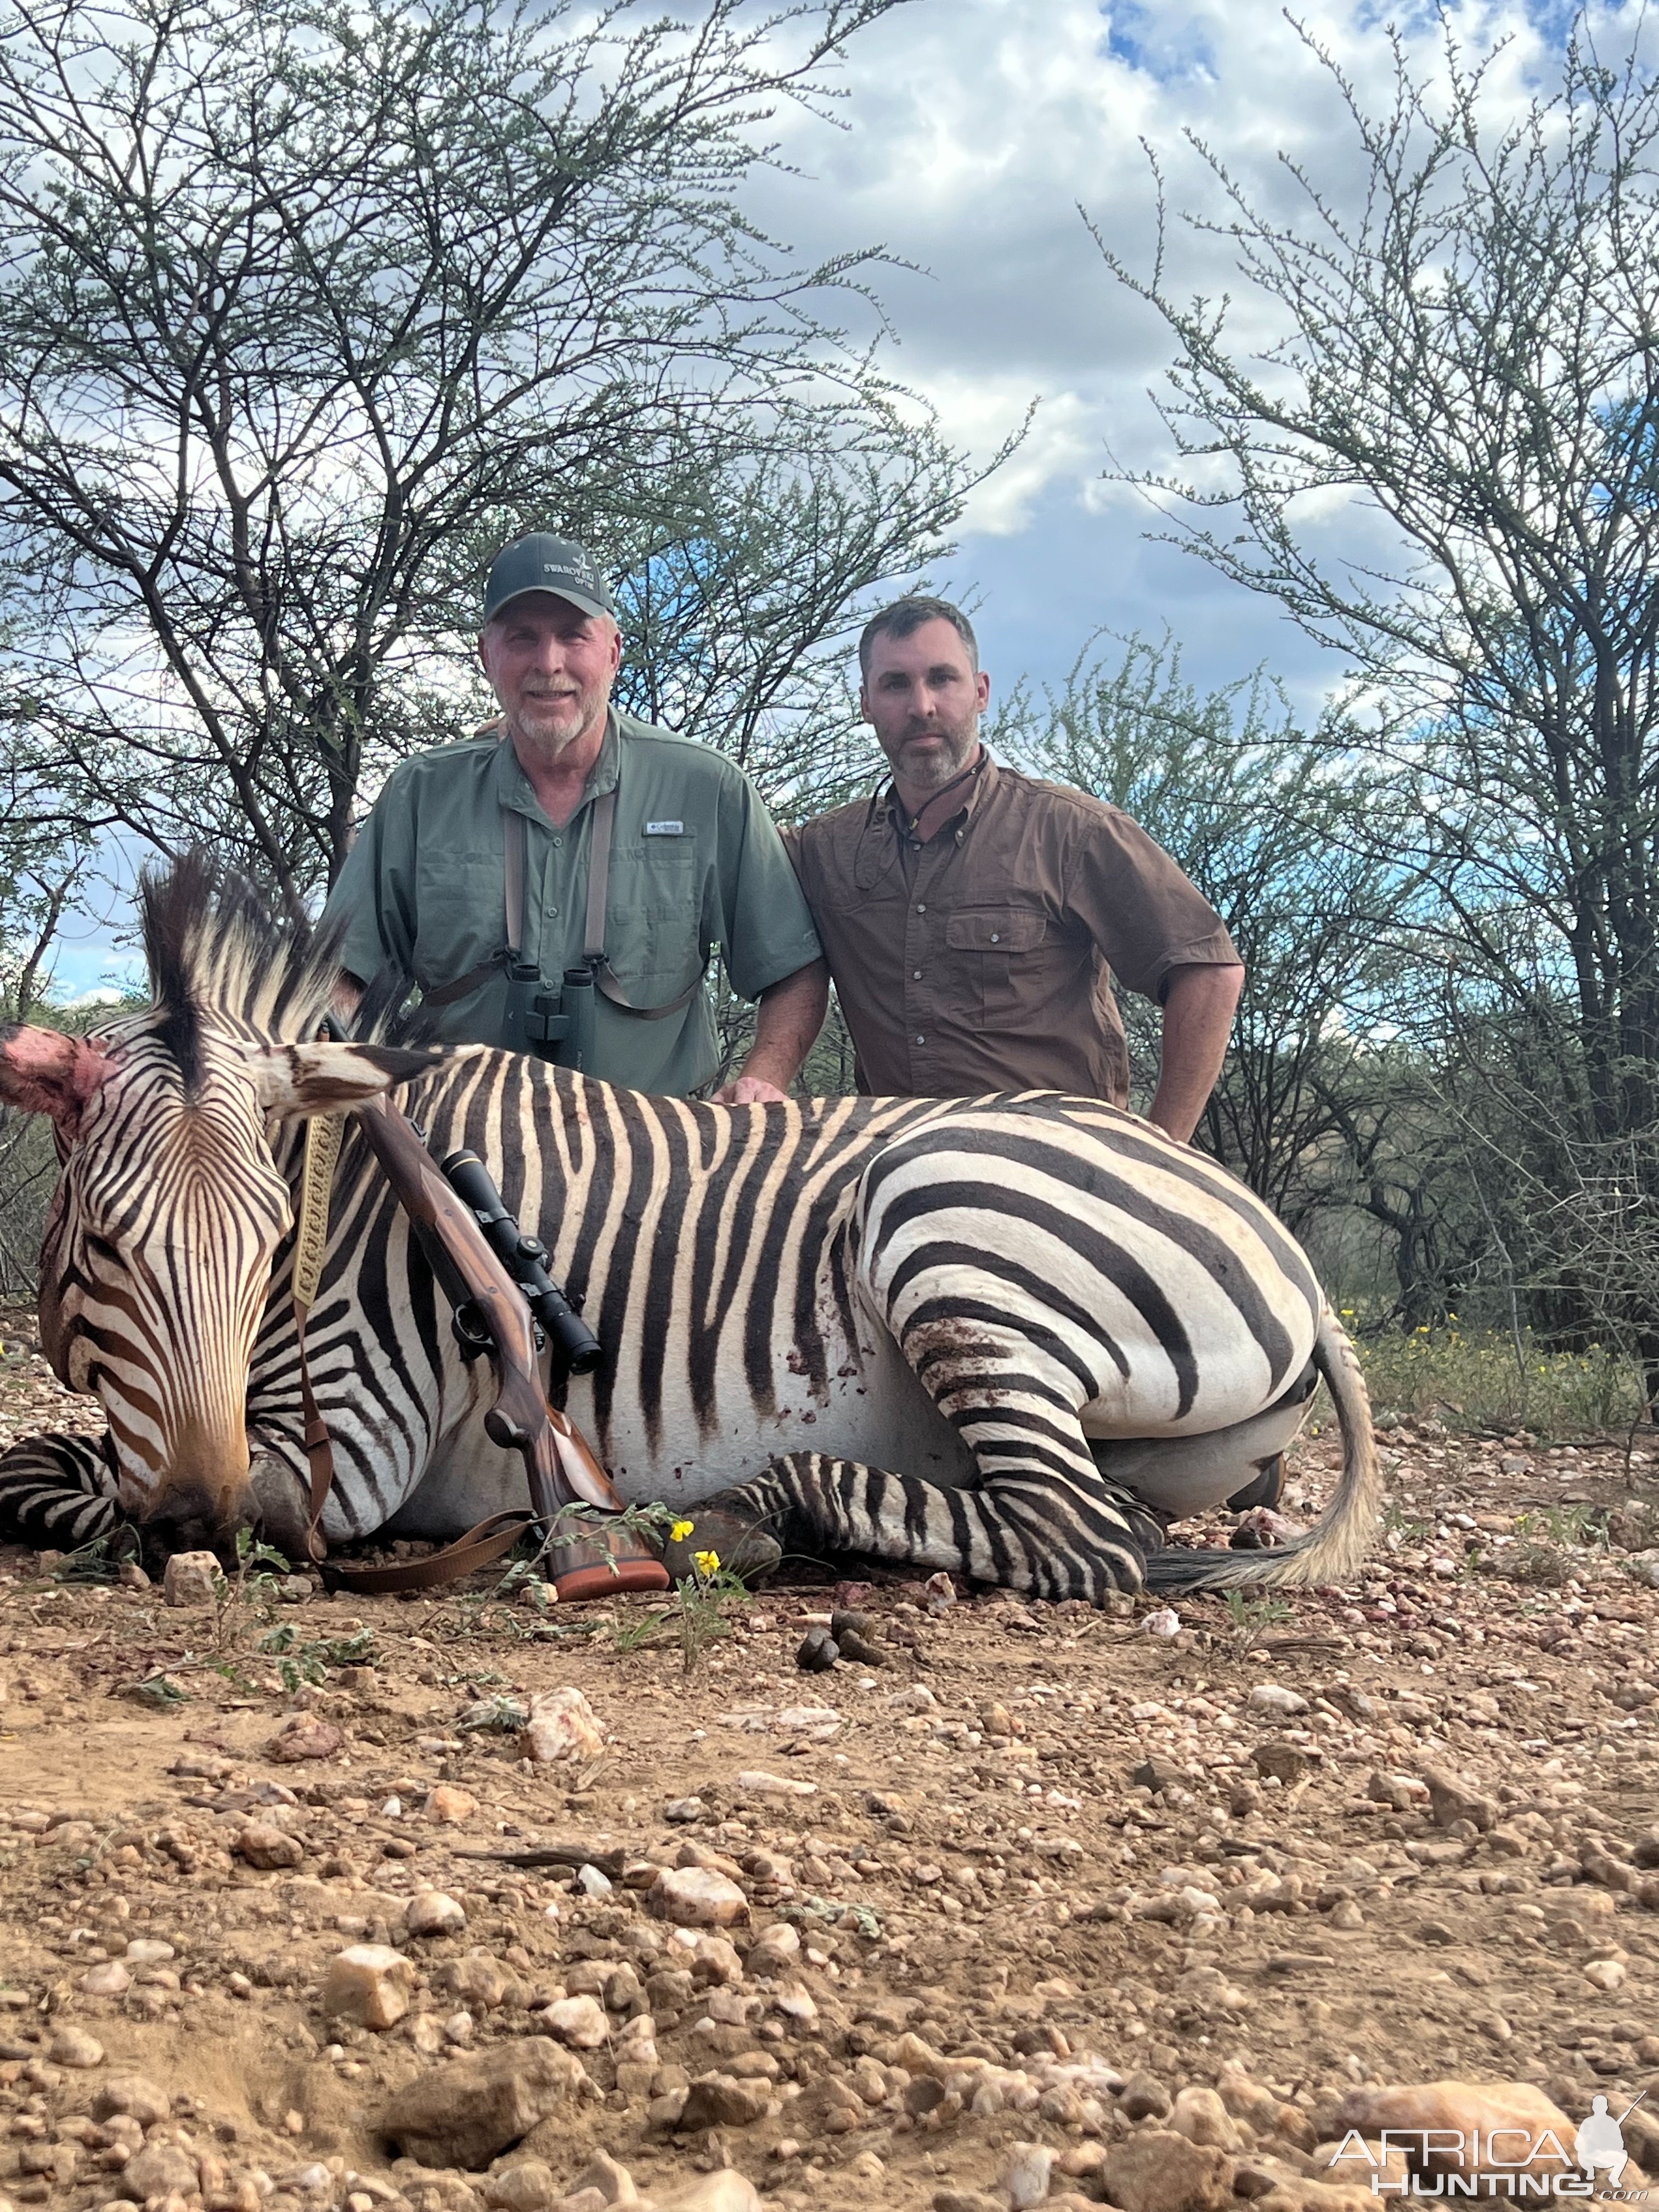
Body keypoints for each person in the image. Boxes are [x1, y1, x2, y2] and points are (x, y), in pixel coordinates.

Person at [323, 534, 827, 1102]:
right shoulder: (418, 795)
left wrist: (763, 1078)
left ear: (613, 652)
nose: (549, 663)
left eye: (573, 636)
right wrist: (359, 1078)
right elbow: (341, 975)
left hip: (662, 1153)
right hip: (456, 1153)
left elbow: (791, 969)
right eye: (523, 638)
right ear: (487, 655)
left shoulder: (707, 787)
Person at [783, 596, 1244, 1139]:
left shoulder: (1074, 831)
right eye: (896, 685)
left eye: (943, 679)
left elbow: (1210, 972)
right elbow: (728, 864)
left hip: (1060, 1174)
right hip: (896, 1179)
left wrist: (1162, 1155)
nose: (923, 705)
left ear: (980, 692)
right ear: (865, 702)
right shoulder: (825, 850)